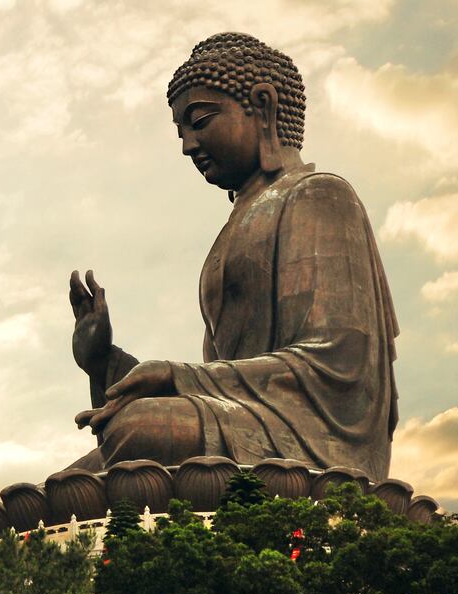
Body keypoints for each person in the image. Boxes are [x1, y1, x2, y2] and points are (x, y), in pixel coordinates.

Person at [68, 33, 398, 481]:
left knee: (135, 431)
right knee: (72, 477)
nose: (188, 145)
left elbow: (338, 363)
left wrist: (176, 375)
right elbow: (216, 386)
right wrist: (104, 360)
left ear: (262, 106)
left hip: (312, 437)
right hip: (244, 421)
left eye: (200, 121)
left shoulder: (319, 195)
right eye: (181, 132)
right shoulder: (230, 233)